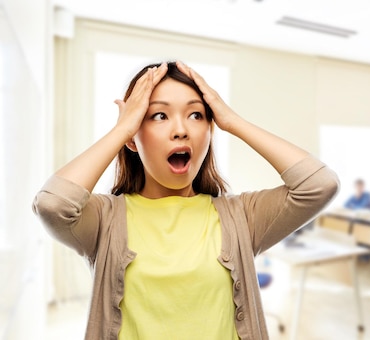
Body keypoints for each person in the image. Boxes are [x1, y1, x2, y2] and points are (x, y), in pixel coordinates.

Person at [32, 61, 339, 340]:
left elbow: (318, 185)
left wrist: (232, 120)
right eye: (159, 115)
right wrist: (123, 129)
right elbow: (53, 204)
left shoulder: (241, 216)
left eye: (196, 115)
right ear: (133, 137)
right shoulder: (105, 219)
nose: (181, 130)